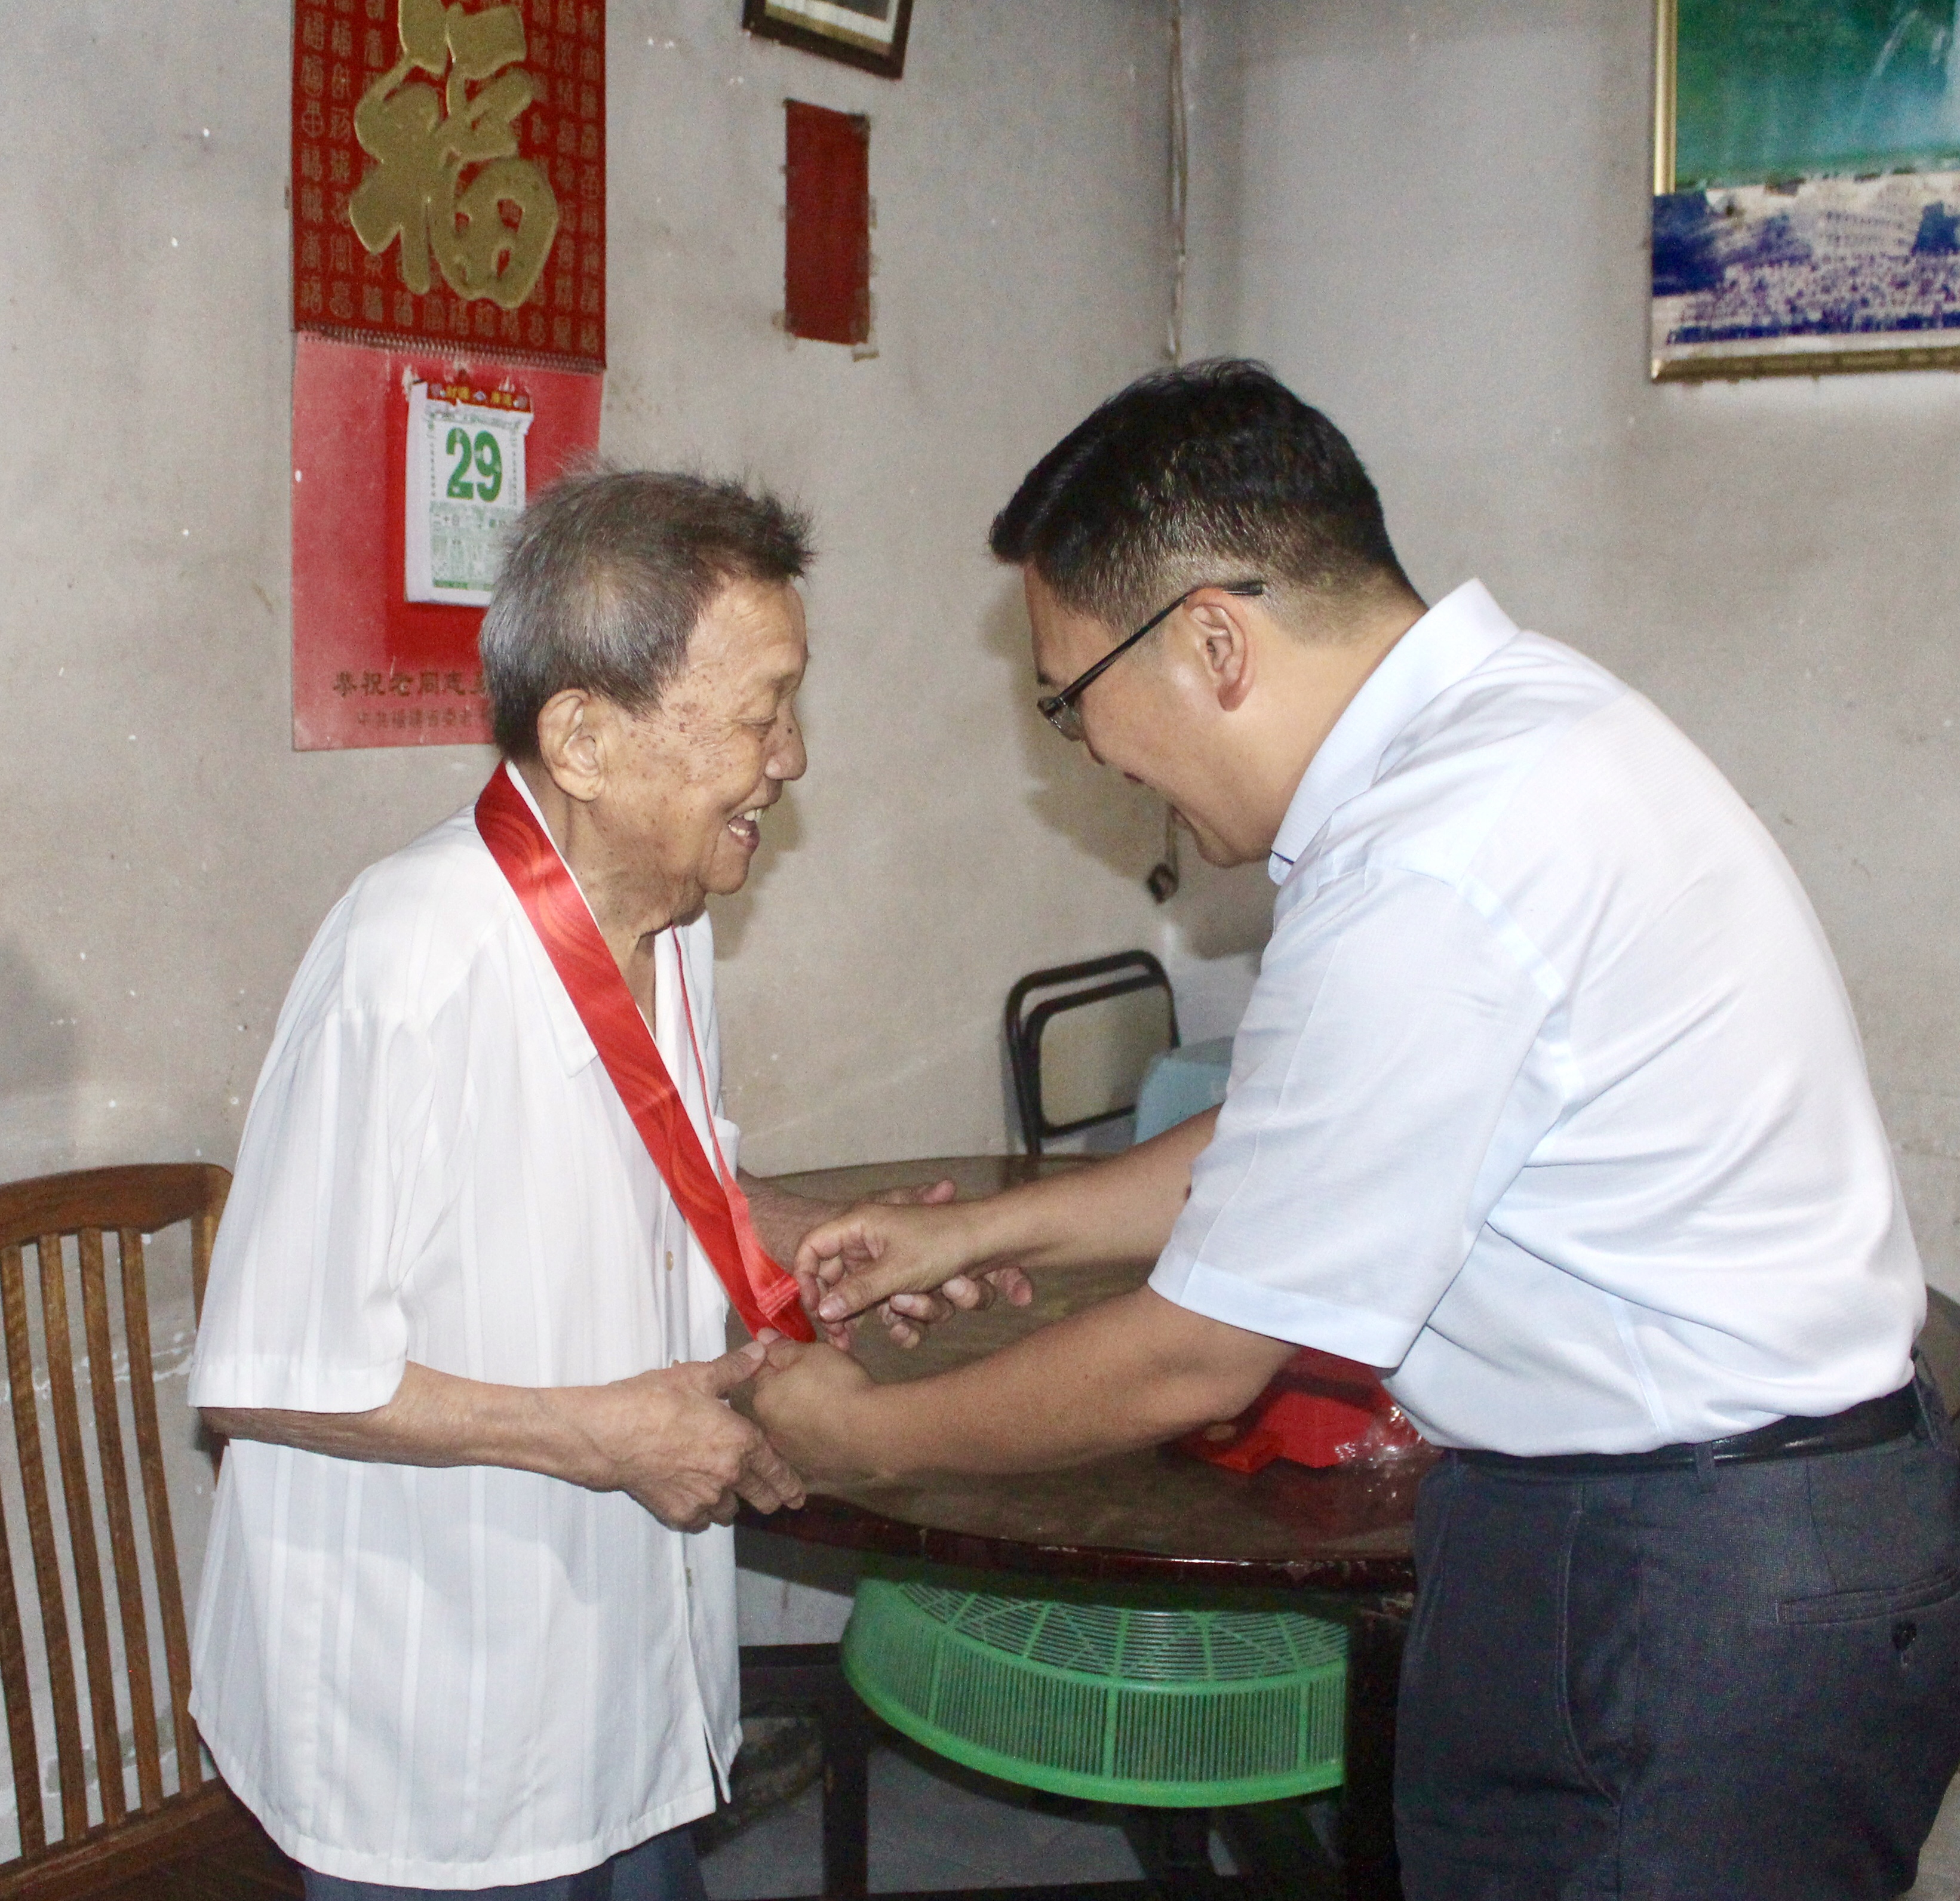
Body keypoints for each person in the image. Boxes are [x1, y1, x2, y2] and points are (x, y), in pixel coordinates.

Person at [751, 362, 1960, 1900]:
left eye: (1071, 698)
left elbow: (1198, 1355)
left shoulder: (1434, 856)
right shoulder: (1513, 735)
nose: (1091, 749)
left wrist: (872, 1441)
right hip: (1644, 1522)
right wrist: (983, 1230)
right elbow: (1302, 1134)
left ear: (1213, 640)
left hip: (1699, 1569)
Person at [190, 470, 908, 1899]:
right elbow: (266, 1370)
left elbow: (649, 1159)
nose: (793, 756)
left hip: (628, 1674)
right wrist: (604, 1434)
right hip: (441, 1721)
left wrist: (808, 1235)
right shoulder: (411, 960)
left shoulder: (674, 916)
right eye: (761, 712)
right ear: (584, 737)